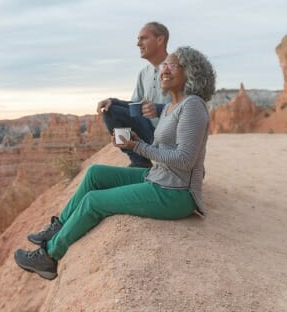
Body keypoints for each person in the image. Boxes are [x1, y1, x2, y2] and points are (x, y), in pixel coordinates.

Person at [14, 46, 216, 280]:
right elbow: (165, 149)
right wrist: (138, 141)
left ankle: (49, 257)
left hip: (177, 193)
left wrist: (138, 148)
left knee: (94, 201)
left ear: (190, 72)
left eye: (172, 65)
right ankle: (59, 227)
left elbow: (185, 159)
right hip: (159, 176)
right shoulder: (172, 106)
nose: (164, 70)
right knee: (95, 173)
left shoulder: (192, 105)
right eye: (164, 66)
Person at [97, 22, 173, 168]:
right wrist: (112, 101)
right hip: (149, 133)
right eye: (138, 39)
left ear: (160, 40)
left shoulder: (178, 70)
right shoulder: (144, 73)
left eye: (143, 38)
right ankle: (140, 162)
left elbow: (192, 107)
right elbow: (134, 108)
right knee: (110, 111)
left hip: (171, 138)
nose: (138, 44)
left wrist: (159, 108)